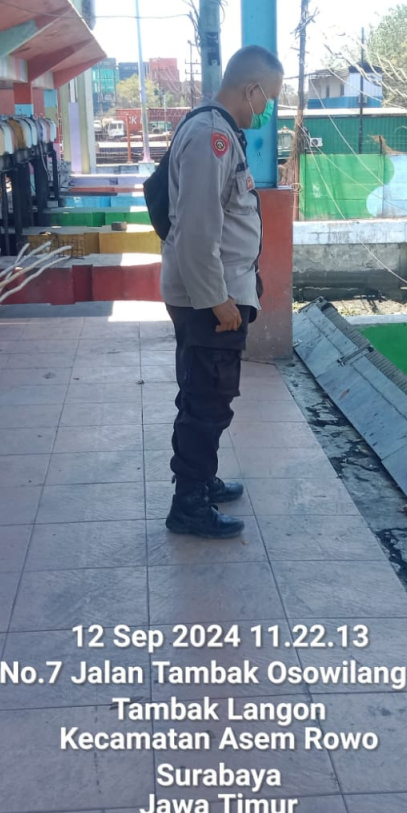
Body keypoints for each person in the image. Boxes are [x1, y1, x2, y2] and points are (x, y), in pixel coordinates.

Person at [160, 45, 285, 539]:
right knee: (206, 399)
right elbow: (196, 228)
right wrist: (217, 299)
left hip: (216, 291)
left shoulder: (221, 133)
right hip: (209, 299)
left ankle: (202, 480)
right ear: (251, 89)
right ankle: (188, 504)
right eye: (269, 97)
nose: (268, 108)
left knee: (207, 392)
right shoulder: (210, 136)